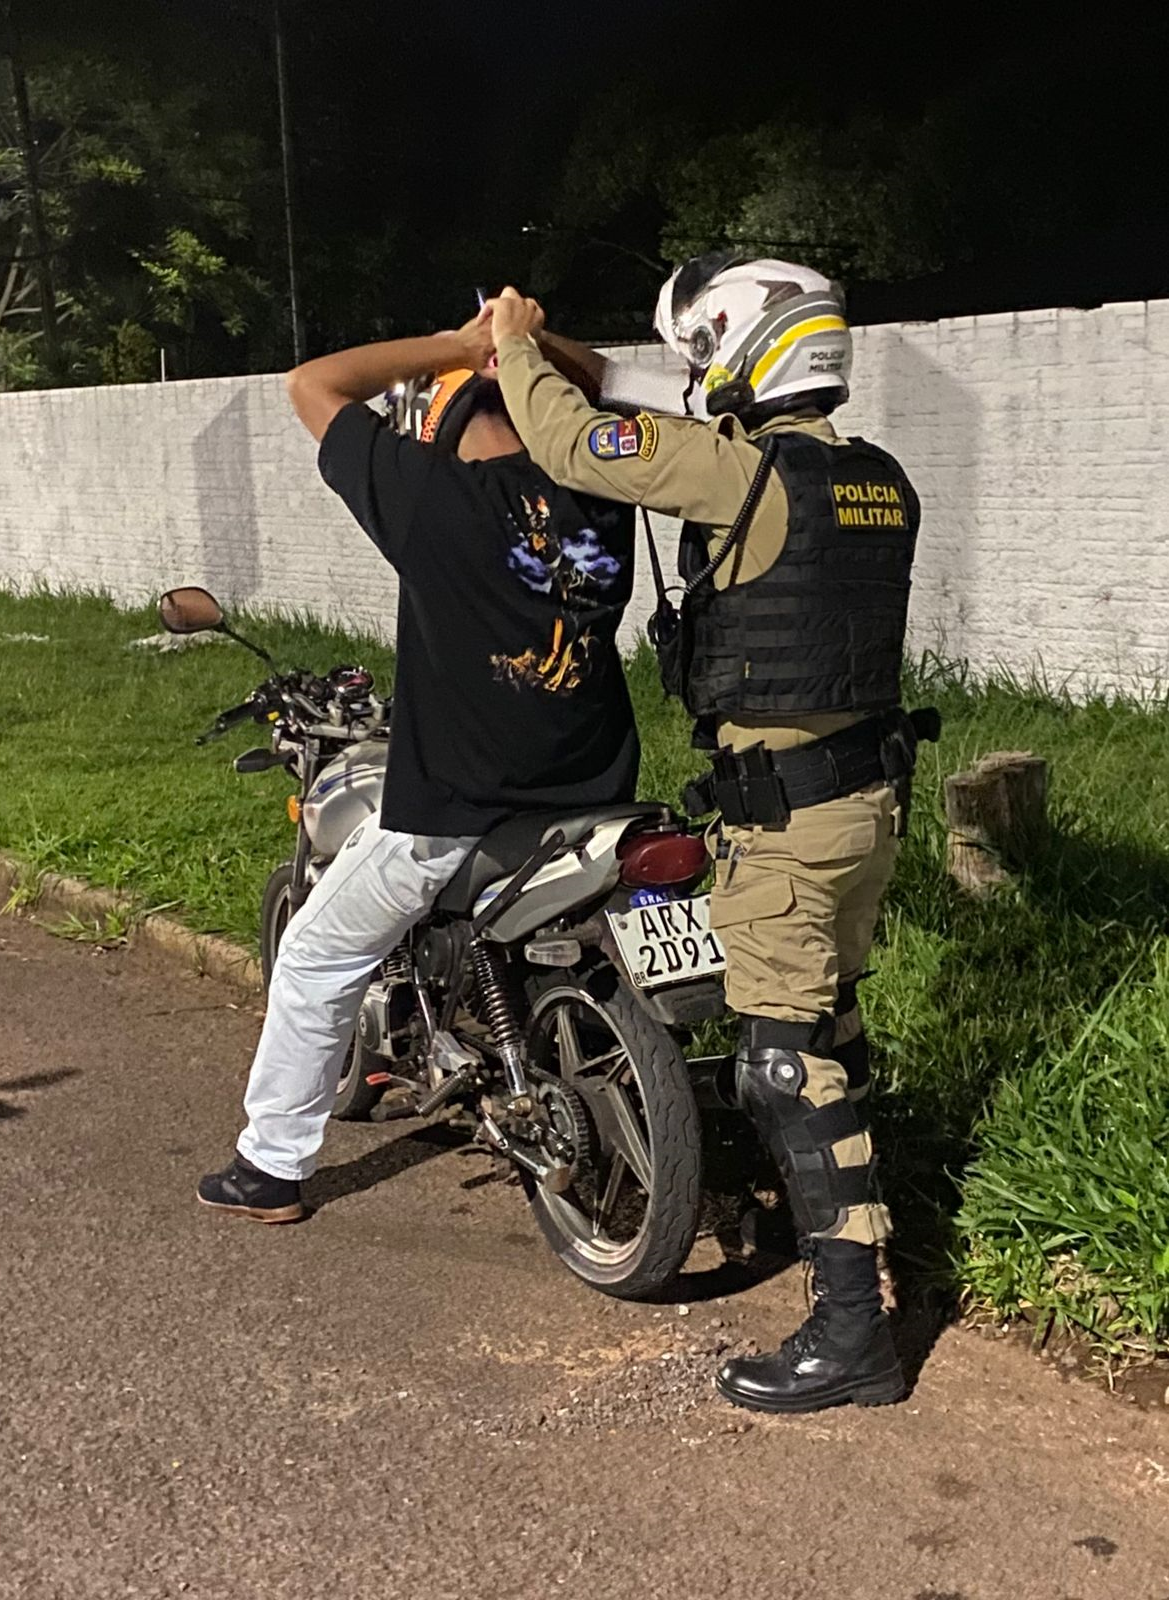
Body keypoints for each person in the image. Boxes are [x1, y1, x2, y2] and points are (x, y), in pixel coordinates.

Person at [482, 259, 931, 1414]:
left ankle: (853, 1333)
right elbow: (658, 410)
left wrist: (516, 345)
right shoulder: (875, 479)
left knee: (783, 1065)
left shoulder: (742, 475)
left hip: (786, 823)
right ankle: (859, 1238)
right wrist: (594, 366)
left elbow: (575, 445)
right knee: (832, 1034)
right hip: (864, 806)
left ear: (746, 347)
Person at [197, 313, 640, 1225]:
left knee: (314, 954)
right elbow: (620, 386)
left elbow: (311, 383)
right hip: (598, 792)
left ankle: (271, 1165)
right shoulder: (600, 490)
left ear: (437, 426)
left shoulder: (429, 496)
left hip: (460, 812)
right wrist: (530, 341)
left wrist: (461, 343)